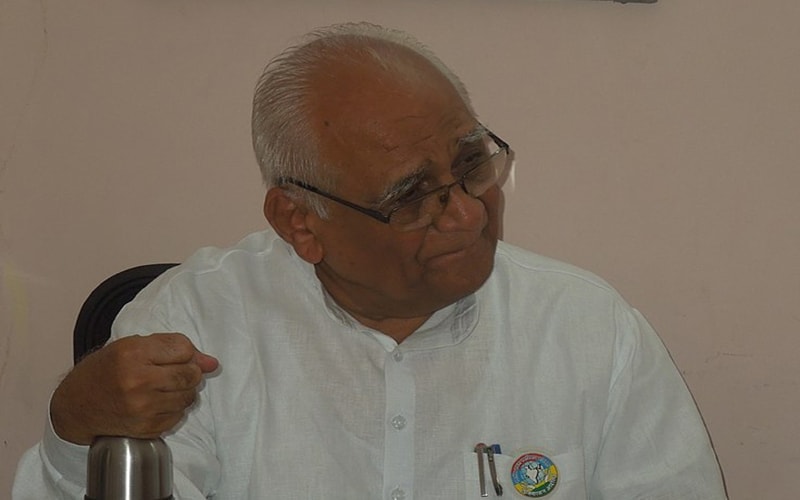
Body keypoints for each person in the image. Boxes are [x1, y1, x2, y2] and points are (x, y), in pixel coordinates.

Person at [13, 22, 727, 499]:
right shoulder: (194, 322)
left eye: (472, 166)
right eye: (411, 196)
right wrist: (75, 429)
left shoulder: (589, 329)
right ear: (300, 221)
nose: (469, 213)